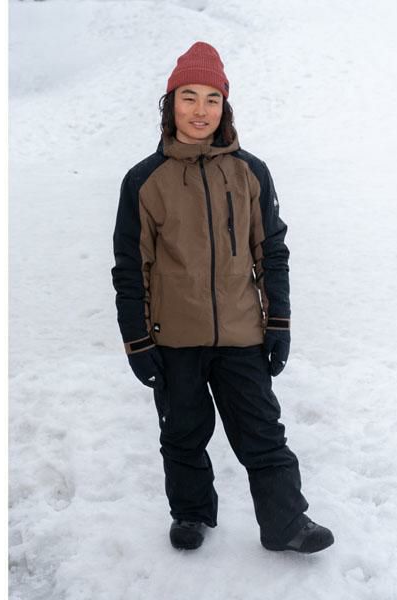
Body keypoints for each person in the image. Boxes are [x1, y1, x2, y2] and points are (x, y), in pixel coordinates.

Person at [111, 41, 334, 554]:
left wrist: (278, 324)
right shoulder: (144, 181)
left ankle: (286, 524)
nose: (200, 110)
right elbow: (130, 268)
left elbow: (271, 251)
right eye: (188, 97)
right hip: (173, 337)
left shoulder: (251, 172)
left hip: (241, 334)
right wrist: (137, 341)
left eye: (212, 98)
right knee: (183, 434)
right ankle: (191, 513)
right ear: (170, 104)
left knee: (263, 432)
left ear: (224, 107)